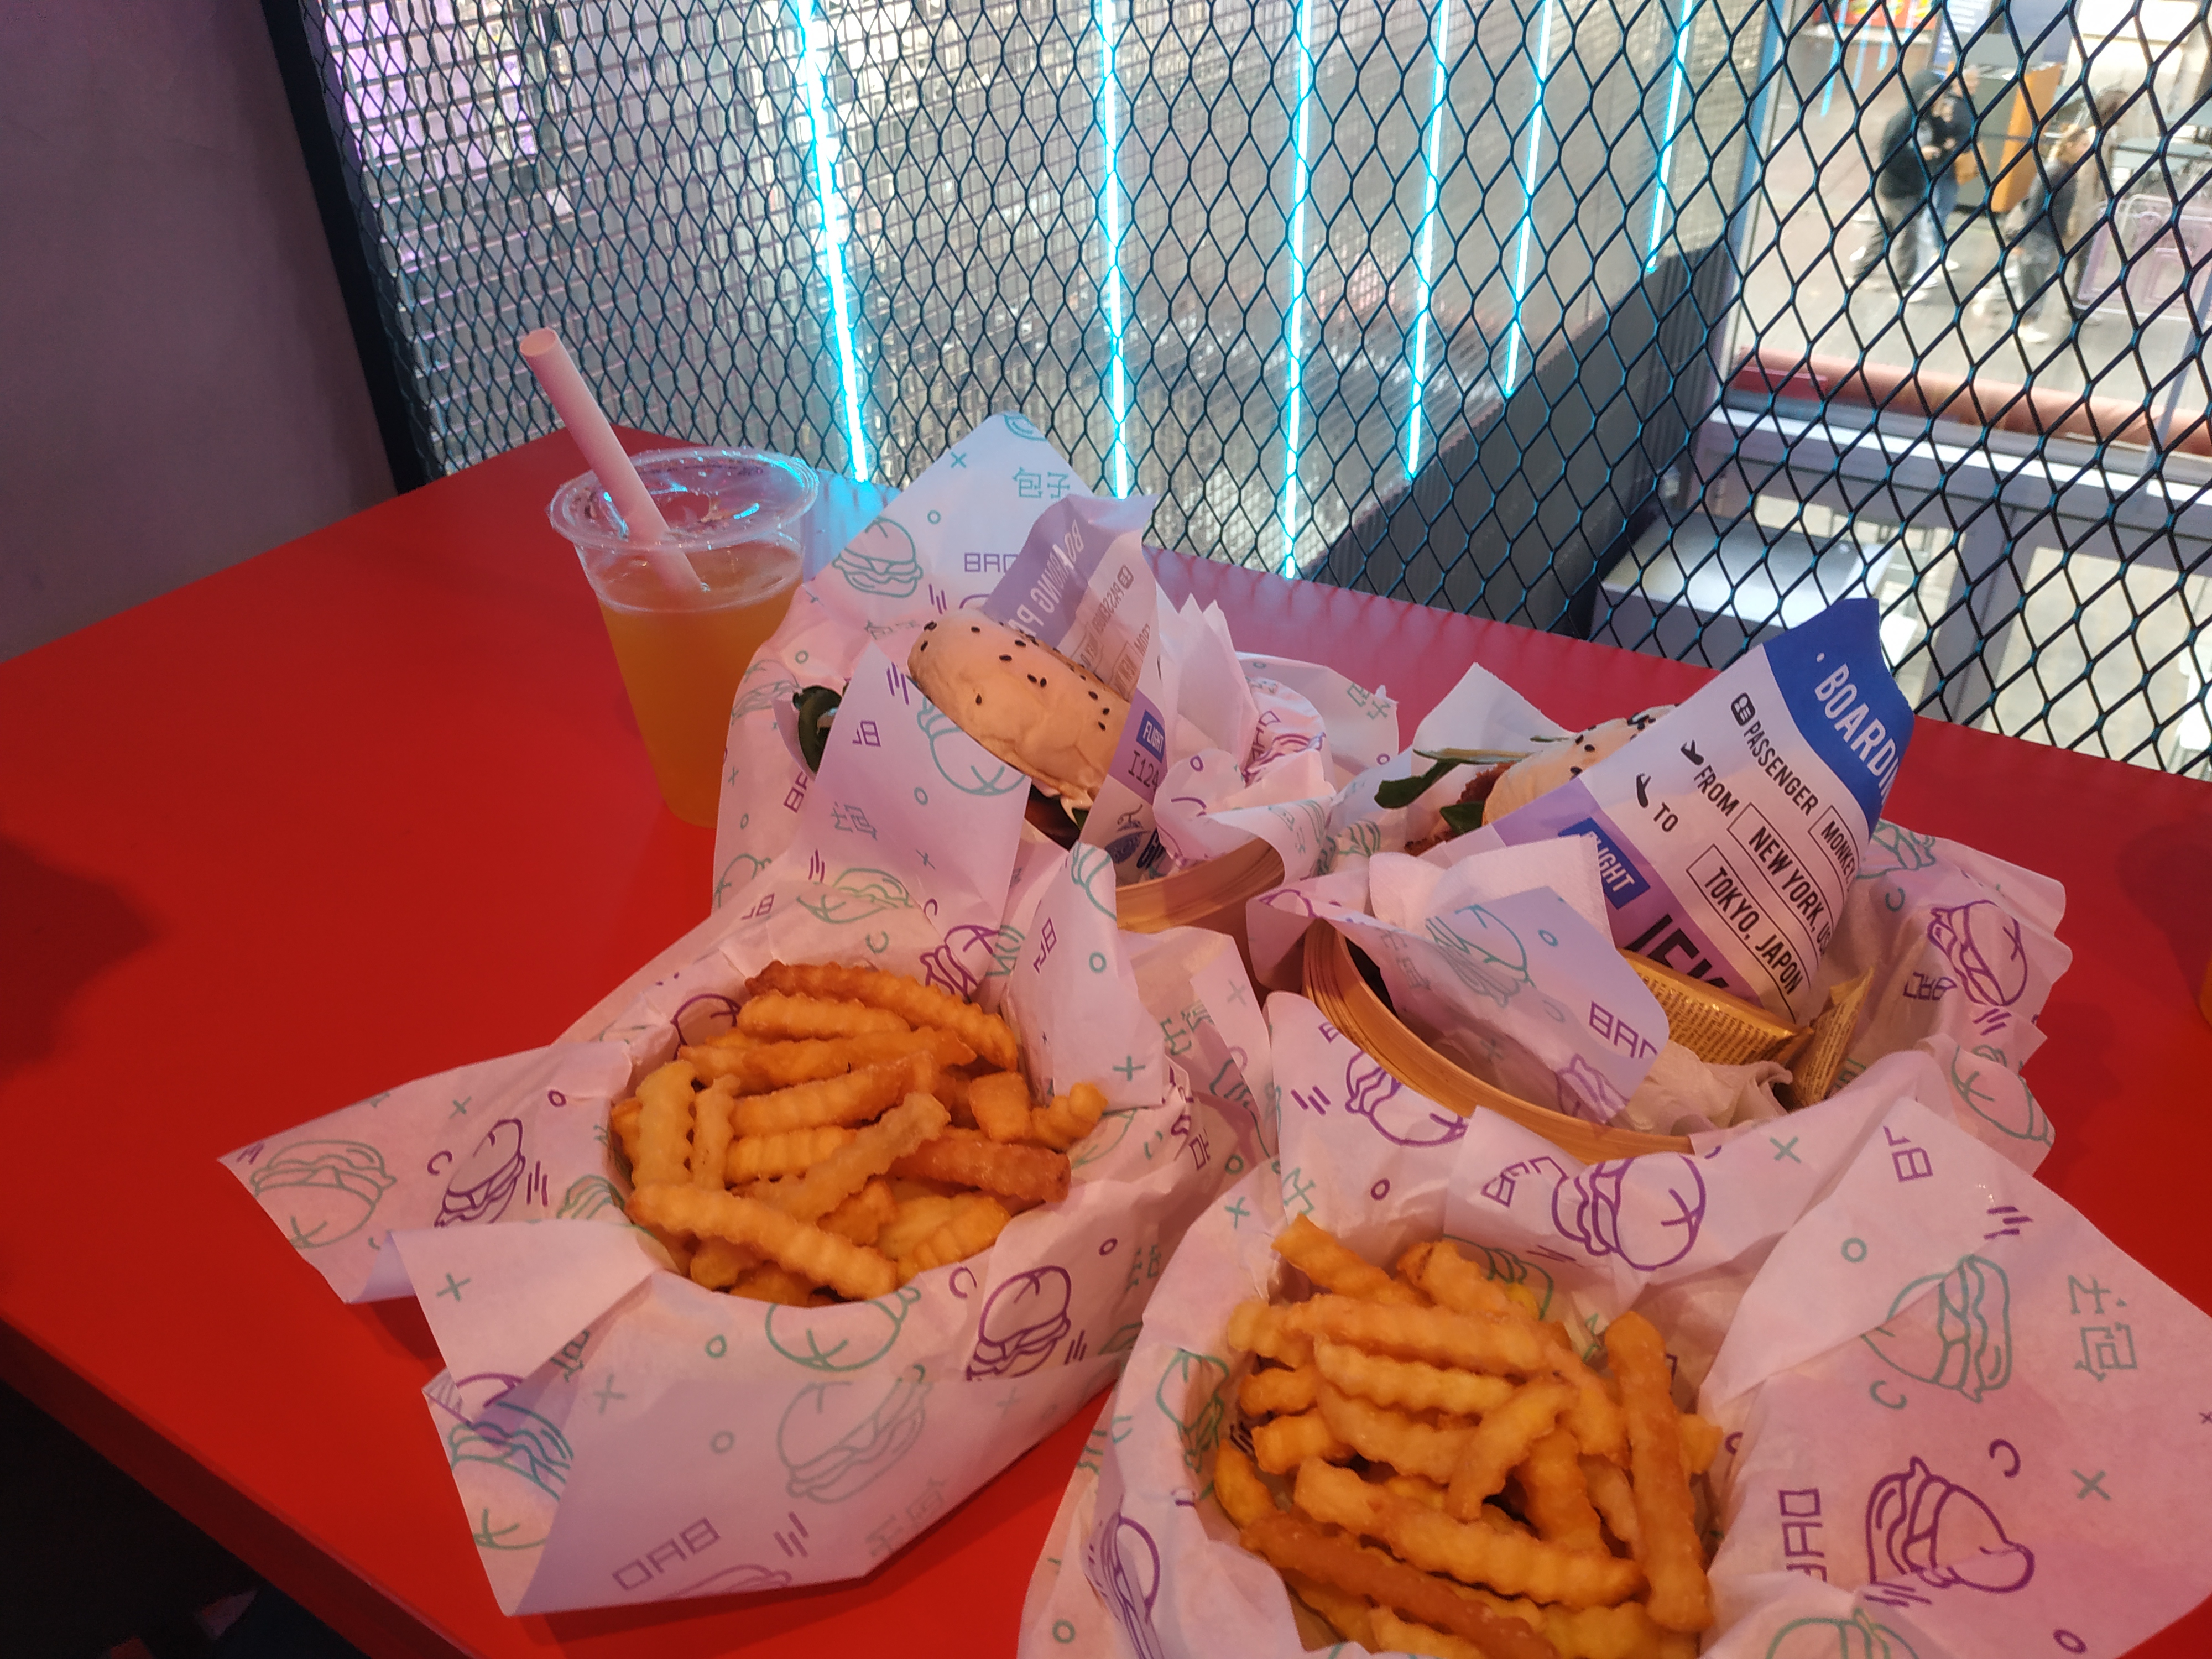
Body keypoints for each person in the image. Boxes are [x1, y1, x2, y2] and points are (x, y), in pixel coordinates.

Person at [1850, 71, 1955, 294]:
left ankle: (1859, 274)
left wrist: (1939, 118)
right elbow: (1888, 156)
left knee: (1883, 232)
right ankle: (1904, 286)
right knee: (1909, 234)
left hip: (1915, 186)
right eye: (1933, 94)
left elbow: (1942, 143)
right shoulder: (1902, 121)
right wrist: (1919, 154)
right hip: (1897, 189)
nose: (1938, 98)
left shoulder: (1928, 119)